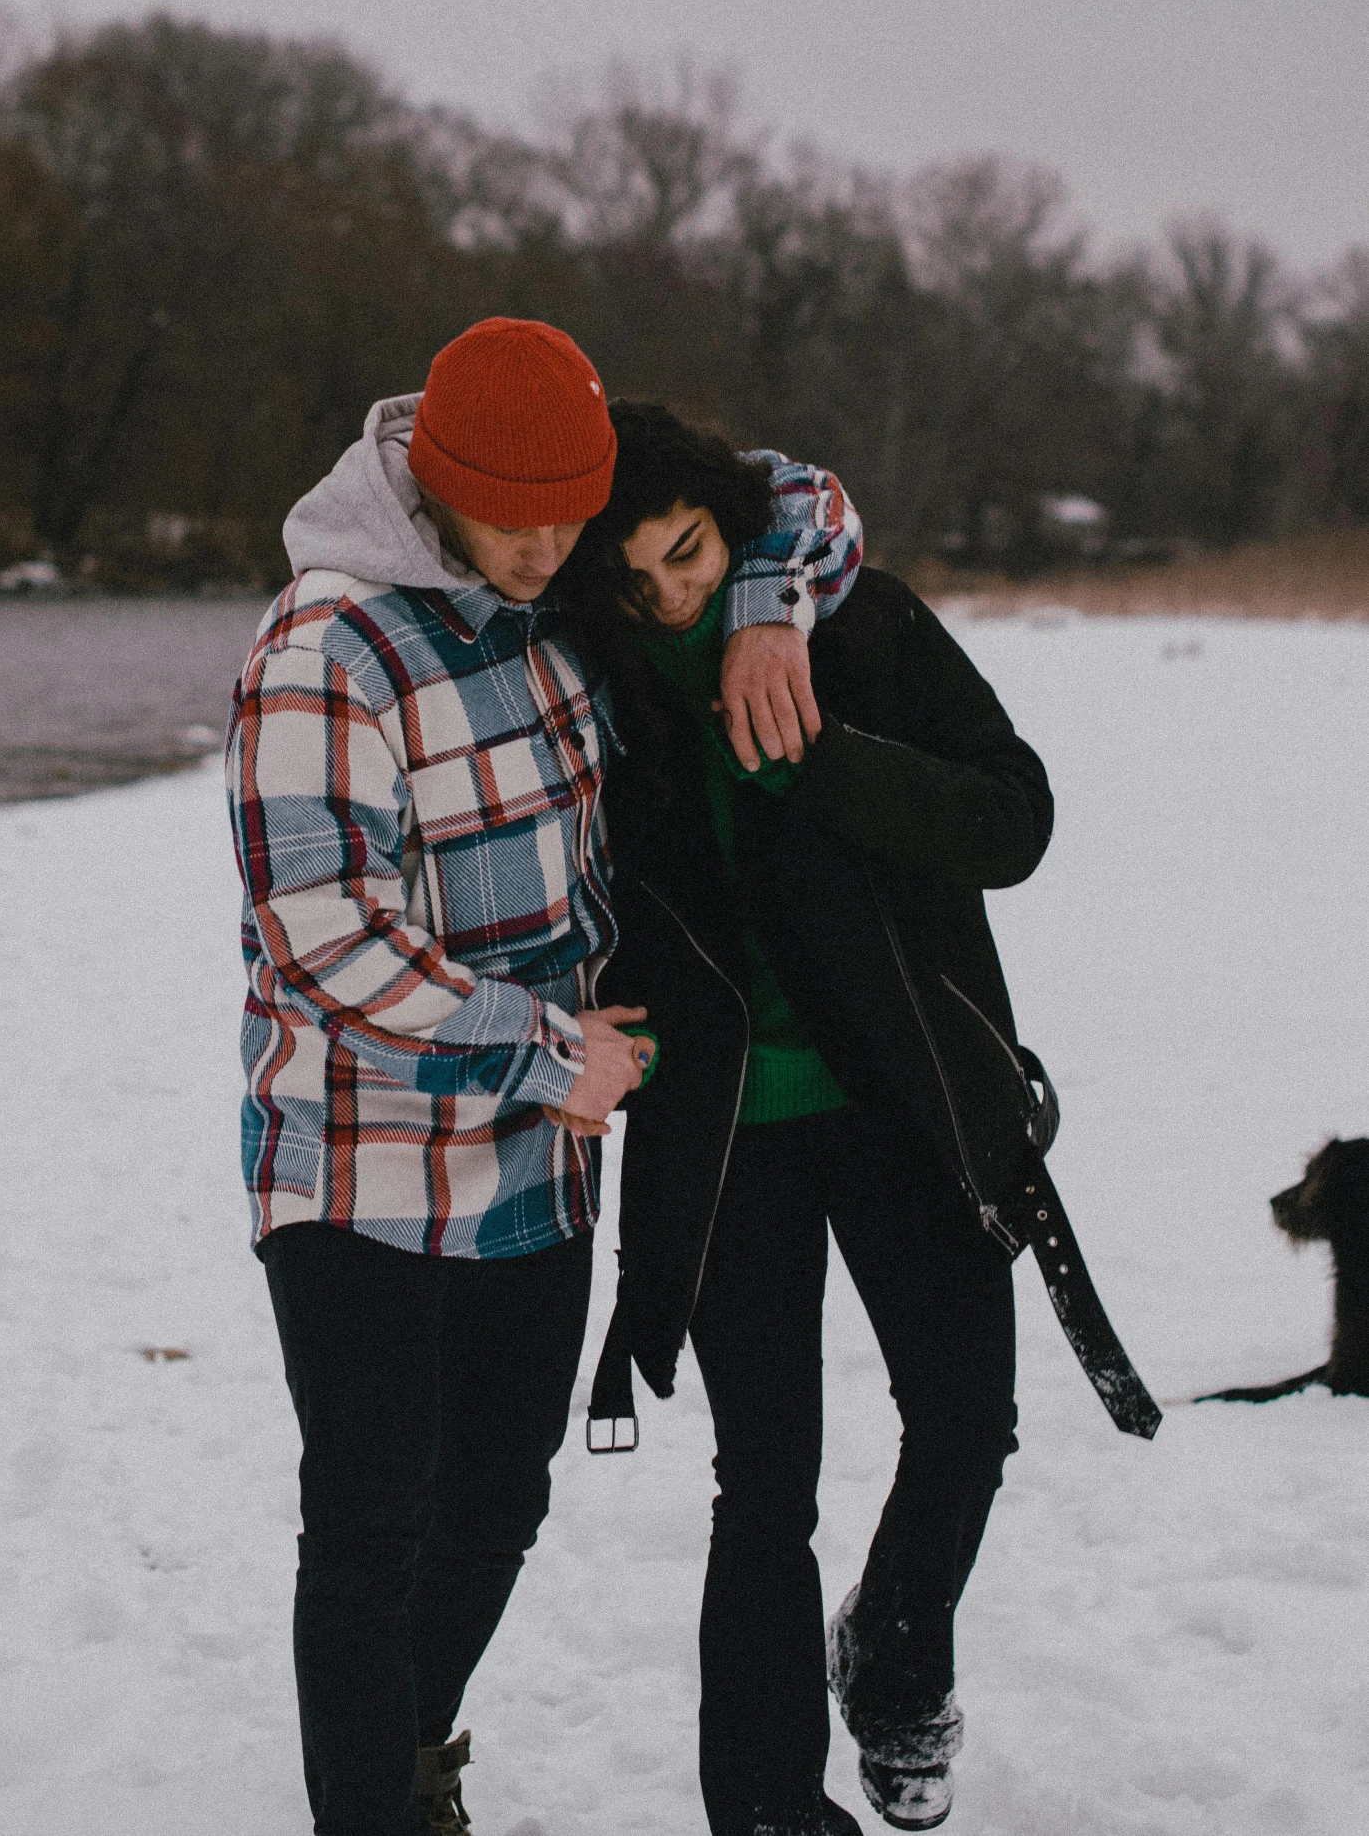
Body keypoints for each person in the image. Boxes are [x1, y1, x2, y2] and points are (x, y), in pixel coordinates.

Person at [224, 321, 862, 1836]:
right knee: (372, 1522)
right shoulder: (326, 649)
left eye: (563, 514)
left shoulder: (561, 584)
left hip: (540, 1163)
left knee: (500, 1501)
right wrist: (545, 1044)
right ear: (434, 485)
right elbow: (322, 936)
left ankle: (400, 1749)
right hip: (359, 1165)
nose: (539, 544)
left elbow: (802, 497)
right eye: (509, 516)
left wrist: (768, 611)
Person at [558, 401, 1058, 1836]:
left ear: (730, 524)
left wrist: (824, 758)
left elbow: (1011, 818)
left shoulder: (857, 622)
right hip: (724, 1141)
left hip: (903, 1100)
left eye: (690, 552)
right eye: (633, 576)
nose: (670, 593)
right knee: (760, 1483)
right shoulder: (588, 696)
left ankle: (895, 1664)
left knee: (965, 1420)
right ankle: (767, 1809)